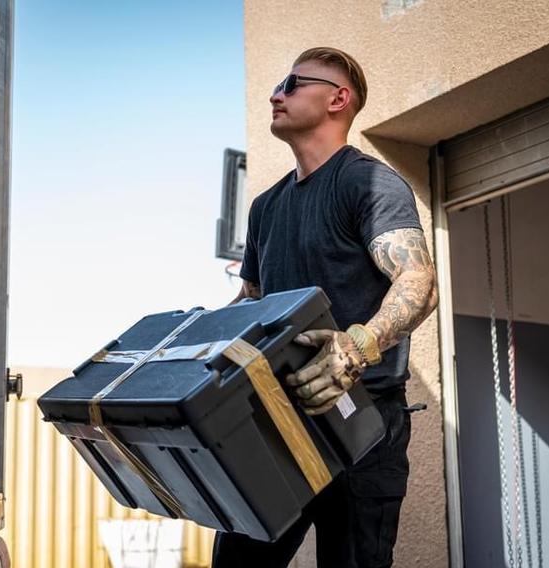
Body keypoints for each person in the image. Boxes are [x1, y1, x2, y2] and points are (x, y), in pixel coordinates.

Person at [213, 47, 438, 568]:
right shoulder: (266, 207)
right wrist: (195, 343)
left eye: (292, 83)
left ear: (338, 98)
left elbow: (419, 280)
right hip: (278, 425)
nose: (276, 93)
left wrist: (358, 347)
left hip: (362, 424)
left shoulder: (368, 182)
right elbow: (250, 300)